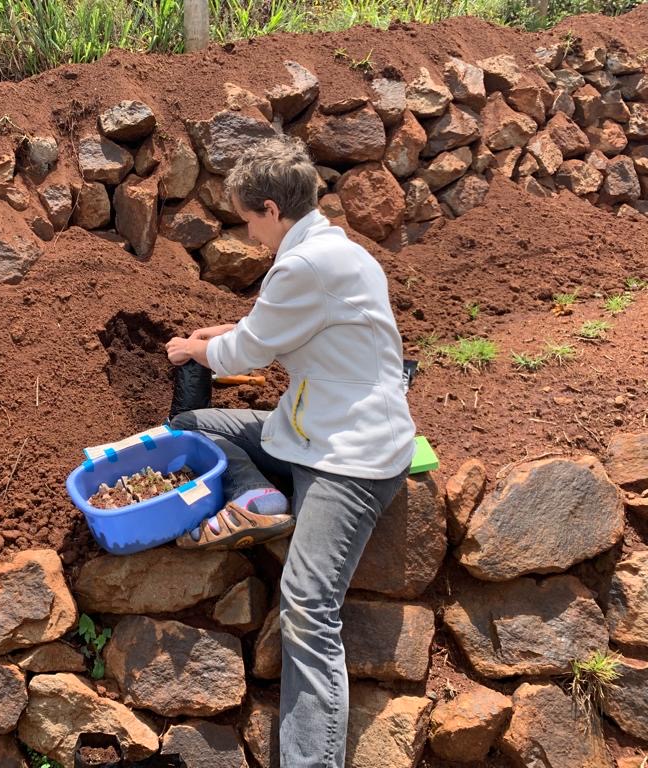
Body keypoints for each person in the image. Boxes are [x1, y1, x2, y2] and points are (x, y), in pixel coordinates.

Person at [165, 134, 415, 768]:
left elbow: (249, 352)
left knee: (307, 604)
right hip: (307, 431)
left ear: (274, 209)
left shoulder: (305, 266)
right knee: (197, 423)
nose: (250, 235)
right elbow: (270, 330)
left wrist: (198, 350)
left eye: (250, 219)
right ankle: (260, 495)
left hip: (349, 459)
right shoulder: (329, 255)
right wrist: (225, 333)